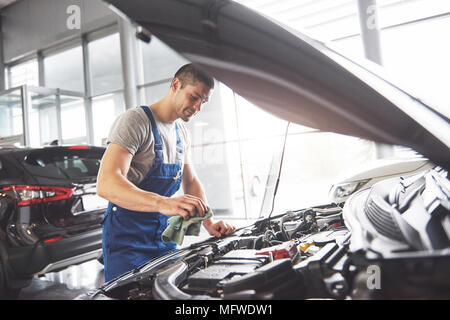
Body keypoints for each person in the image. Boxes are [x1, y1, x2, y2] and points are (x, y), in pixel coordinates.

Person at [97, 63, 235, 282]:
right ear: (175, 85)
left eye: (203, 101)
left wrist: (209, 222)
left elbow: (191, 182)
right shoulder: (135, 122)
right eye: (194, 97)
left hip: (164, 236)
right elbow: (106, 183)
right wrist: (163, 203)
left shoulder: (181, 131)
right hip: (127, 240)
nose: (198, 107)